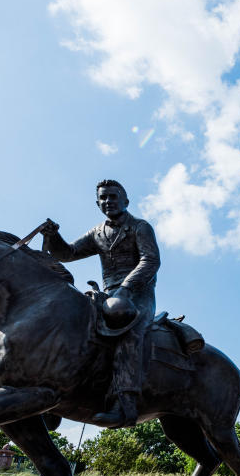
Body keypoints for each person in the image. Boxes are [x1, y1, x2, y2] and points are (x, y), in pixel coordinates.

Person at [40, 180, 160, 427]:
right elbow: (68, 254)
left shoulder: (140, 227)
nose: (108, 202)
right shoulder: (97, 232)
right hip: (107, 295)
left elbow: (150, 260)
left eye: (113, 197)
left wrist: (127, 288)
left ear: (126, 201)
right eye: (103, 198)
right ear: (97, 203)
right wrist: (53, 237)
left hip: (138, 294)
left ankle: (125, 403)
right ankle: (51, 394)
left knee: (129, 329)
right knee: (69, 321)